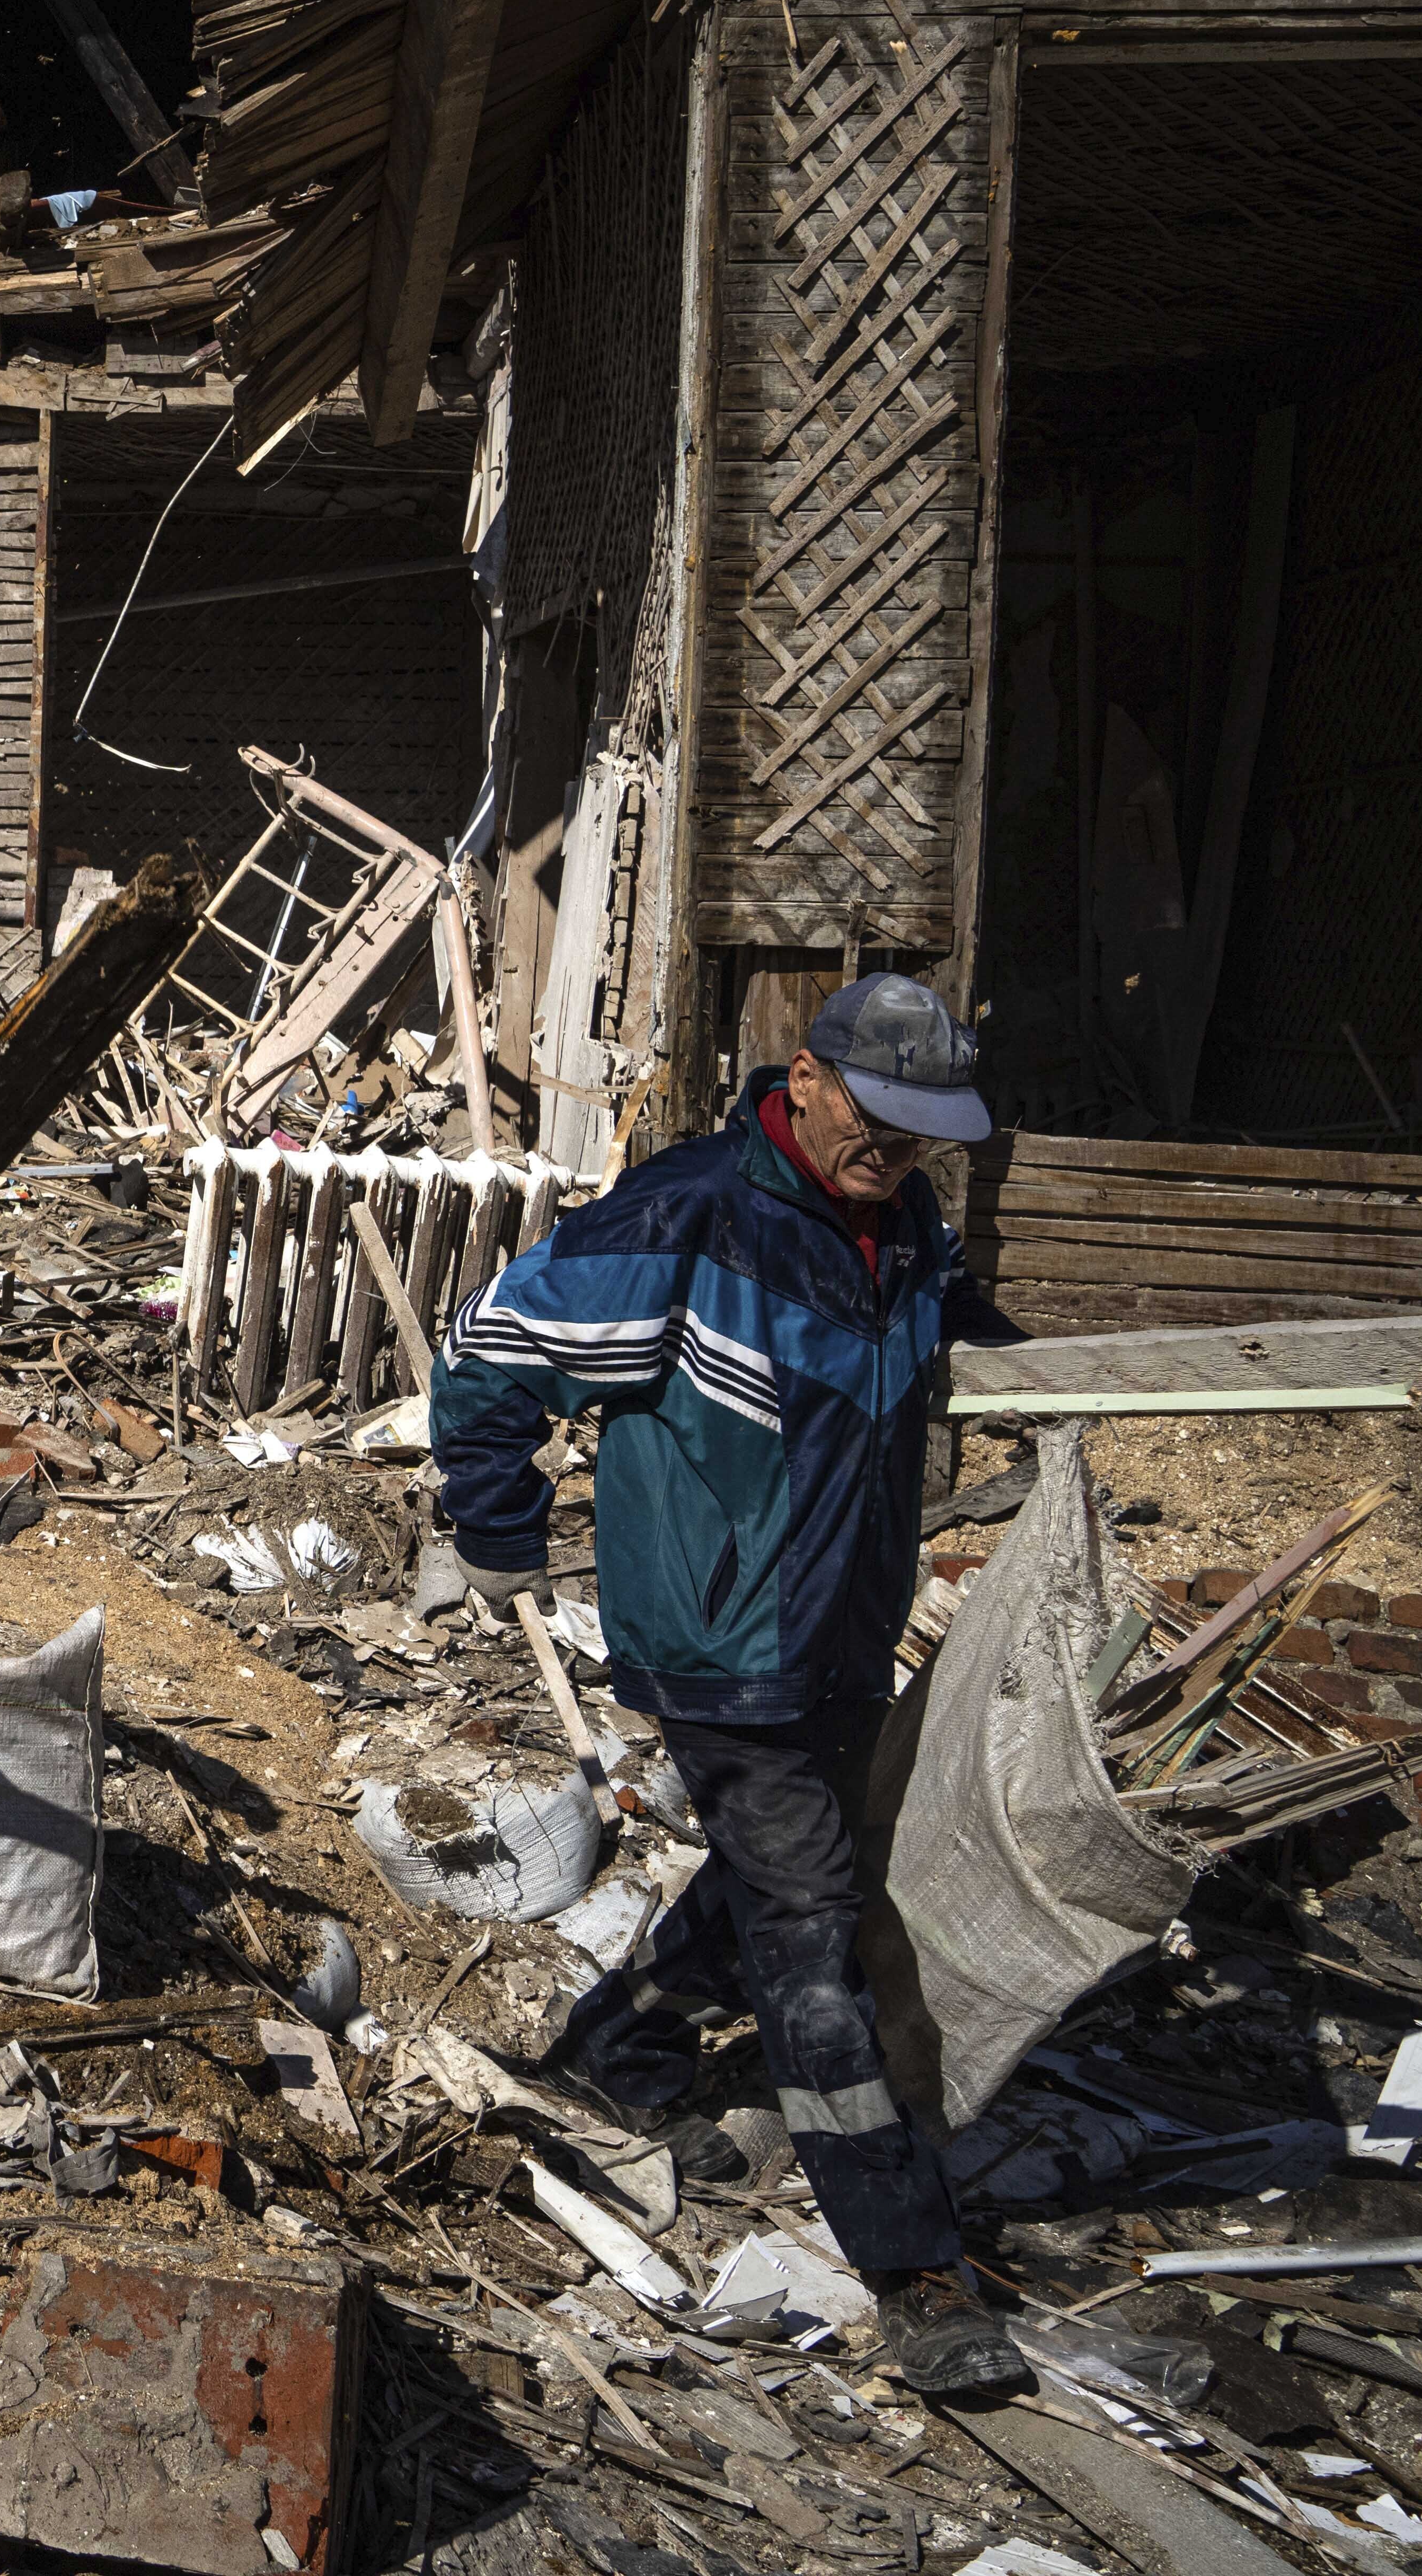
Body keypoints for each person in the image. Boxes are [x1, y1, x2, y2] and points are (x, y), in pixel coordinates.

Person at [431, 973, 1031, 2397]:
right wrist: (497, 1523)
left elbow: (950, 1321)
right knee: (818, 1946)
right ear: (808, 1079)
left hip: (842, 1630)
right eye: (881, 1123)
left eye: (927, 1135)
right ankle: (914, 2272)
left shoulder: (907, 1227)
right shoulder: (683, 1211)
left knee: (793, 1878)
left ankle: (614, 2041)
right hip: (715, 1639)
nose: (900, 1154)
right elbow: (496, 1352)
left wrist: (1058, 1381)